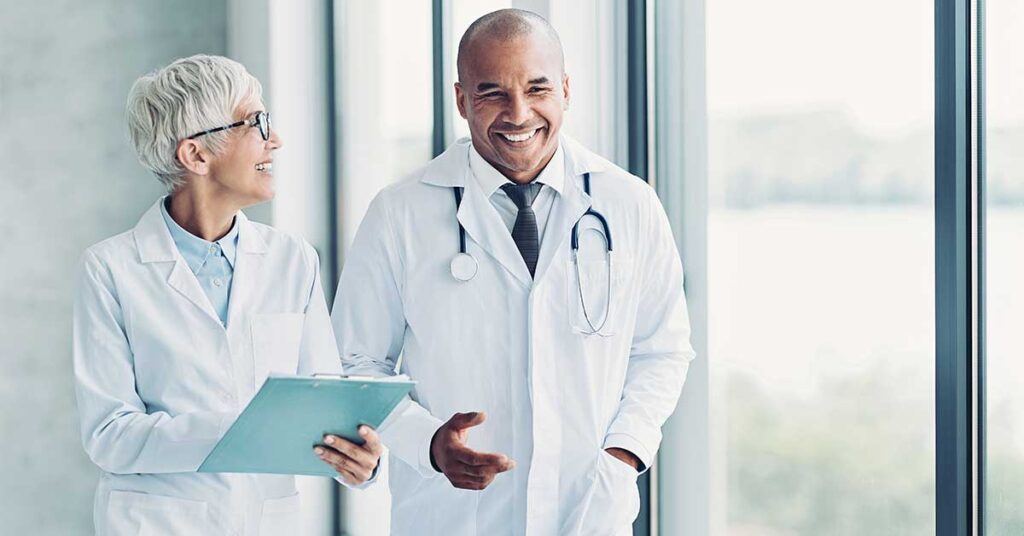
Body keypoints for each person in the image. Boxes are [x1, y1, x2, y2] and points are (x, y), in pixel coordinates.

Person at [332, 9, 695, 535]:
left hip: (588, 511)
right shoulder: (400, 213)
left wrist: (622, 456)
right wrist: (429, 444)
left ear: (566, 90)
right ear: (461, 100)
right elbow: (356, 362)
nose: (519, 114)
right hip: (451, 516)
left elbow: (662, 349)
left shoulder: (628, 203)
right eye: (492, 93)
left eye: (537, 89)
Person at [72, 55, 380, 535]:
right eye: (256, 123)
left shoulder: (293, 259)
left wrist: (359, 462)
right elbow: (110, 435)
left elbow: (324, 404)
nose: (273, 140)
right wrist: (244, 429)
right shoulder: (111, 269)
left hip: (266, 521)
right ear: (196, 156)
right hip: (156, 524)